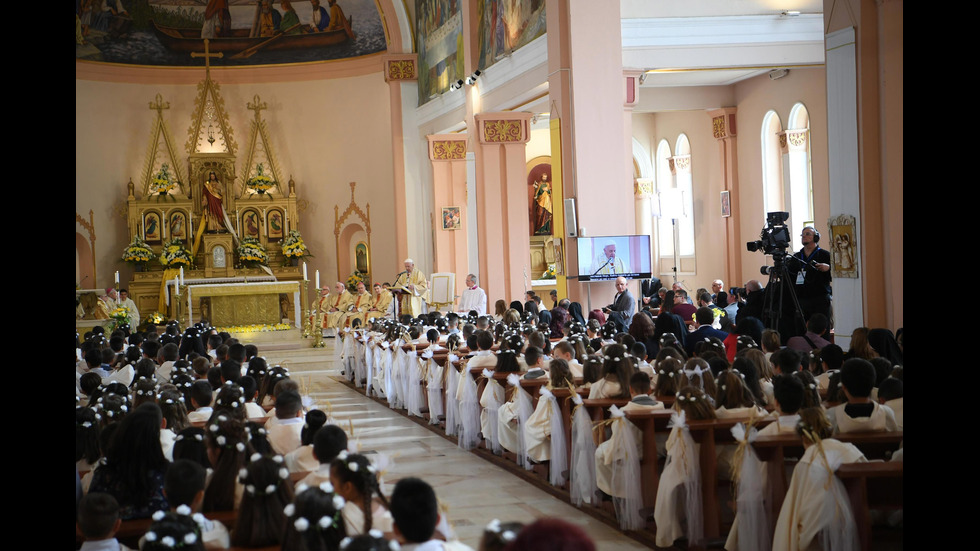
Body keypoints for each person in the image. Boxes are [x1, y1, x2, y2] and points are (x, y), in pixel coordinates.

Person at [788, 226, 832, 324]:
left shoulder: (825, 255)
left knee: (821, 326)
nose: (804, 236)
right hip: (802, 299)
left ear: (816, 238)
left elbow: (836, 274)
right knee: (801, 328)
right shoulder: (797, 257)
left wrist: (828, 268)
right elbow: (790, 276)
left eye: (808, 234)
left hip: (820, 299)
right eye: (802, 235)